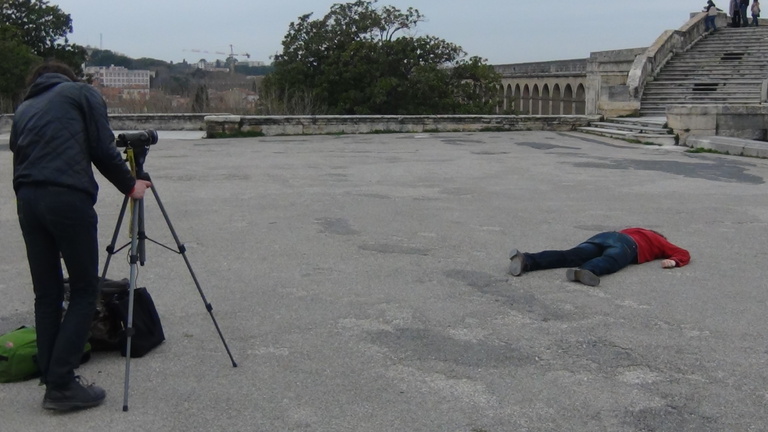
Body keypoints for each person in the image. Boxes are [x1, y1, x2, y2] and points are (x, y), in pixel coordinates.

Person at [10, 61, 151, 411]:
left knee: (47, 293)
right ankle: (61, 385)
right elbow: (102, 148)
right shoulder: (81, 93)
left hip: (27, 199)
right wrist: (130, 185)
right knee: (86, 289)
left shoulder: (25, 108)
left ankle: (51, 372)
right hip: (67, 197)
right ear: (68, 77)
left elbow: (19, 150)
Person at [508, 228, 691, 287]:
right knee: (612, 259)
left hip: (604, 236)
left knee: (569, 255)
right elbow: (684, 253)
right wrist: (674, 261)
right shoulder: (658, 239)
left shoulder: (634, 229)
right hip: (627, 244)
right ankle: (587, 270)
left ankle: (526, 259)